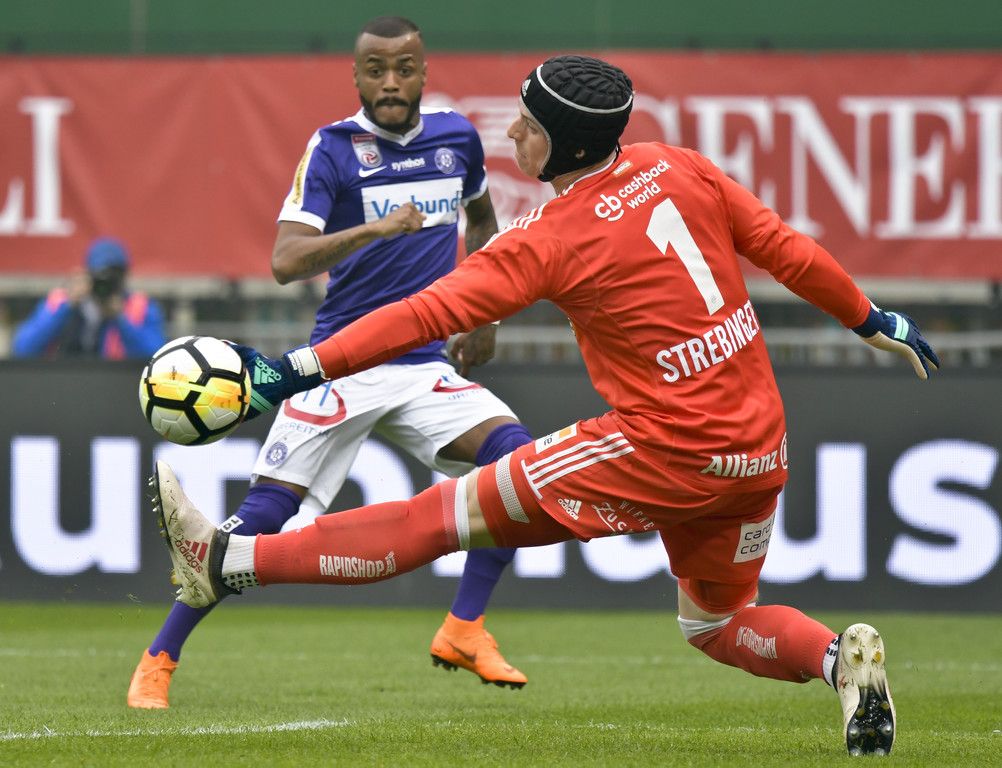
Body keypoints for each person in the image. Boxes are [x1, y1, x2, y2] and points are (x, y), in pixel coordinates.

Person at [151, 55, 939, 755]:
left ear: (561, 145)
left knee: (440, 518)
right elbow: (784, 247)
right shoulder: (680, 166)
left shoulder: (553, 236)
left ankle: (225, 563)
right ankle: (837, 662)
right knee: (717, 623)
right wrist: (874, 320)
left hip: (661, 448)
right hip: (758, 450)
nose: (512, 133)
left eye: (526, 124)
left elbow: (424, 315)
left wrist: (289, 372)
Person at [126, 16, 532, 709]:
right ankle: (159, 658)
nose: (391, 82)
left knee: (519, 468)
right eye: (376, 70)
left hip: (423, 364)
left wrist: (485, 317)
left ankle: (465, 627)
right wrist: (375, 228)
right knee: (261, 518)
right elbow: (285, 261)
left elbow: (484, 223)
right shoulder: (333, 149)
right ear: (356, 77)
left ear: (424, 73)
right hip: (340, 363)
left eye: (404, 68)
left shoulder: (458, 139)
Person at [12, 237, 165, 359]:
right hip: (63, 381)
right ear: (88, 274)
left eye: (113, 277)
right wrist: (67, 306)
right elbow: (23, 348)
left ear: (125, 276)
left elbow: (156, 357)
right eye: (100, 276)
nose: (105, 284)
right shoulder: (61, 301)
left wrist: (121, 319)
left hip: (115, 383)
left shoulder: (140, 307)